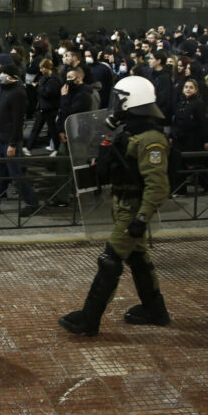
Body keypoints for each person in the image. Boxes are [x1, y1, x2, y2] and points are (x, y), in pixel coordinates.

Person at [59, 75, 170, 336]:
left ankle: (89, 319)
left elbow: (158, 186)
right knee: (138, 258)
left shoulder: (150, 139)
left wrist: (141, 220)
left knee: (110, 260)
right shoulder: (130, 132)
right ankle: (156, 311)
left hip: (132, 208)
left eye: (120, 100)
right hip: (122, 204)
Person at [0, 63, 40, 216]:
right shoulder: (2, 88)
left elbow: (17, 122)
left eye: (0, 72)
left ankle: (32, 202)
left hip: (10, 140)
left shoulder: (18, 93)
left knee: (16, 174)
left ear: (9, 75)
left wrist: (13, 144)